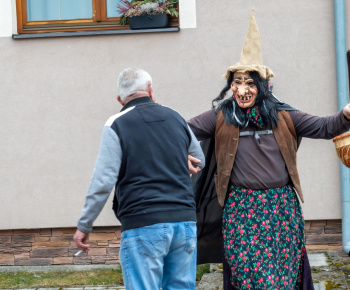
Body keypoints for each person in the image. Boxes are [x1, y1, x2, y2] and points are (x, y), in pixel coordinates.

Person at [188, 9, 350, 290]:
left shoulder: (284, 115)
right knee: (247, 277)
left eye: (249, 82)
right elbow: (182, 130)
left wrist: (346, 114)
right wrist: (183, 150)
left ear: (263, 86)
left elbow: (325, 127)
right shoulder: (222, 116)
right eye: (236, 83)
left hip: (281, 209)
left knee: (281, 278)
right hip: (242, 210)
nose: (241, 90)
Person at [73, 67, 205, 290]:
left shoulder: (116, 124)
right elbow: (198, 160)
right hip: (184, 222)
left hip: (143, 223)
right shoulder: (175, 117)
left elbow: (103, 181)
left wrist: (84, 225)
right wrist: (173, 156)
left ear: (120, 99)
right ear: (150, 90)